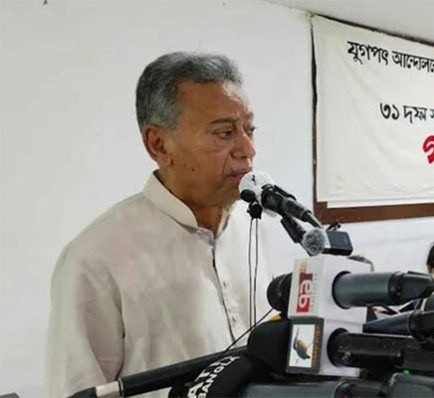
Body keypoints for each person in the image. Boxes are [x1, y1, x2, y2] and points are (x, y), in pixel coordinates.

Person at [45, 52, 272, 397]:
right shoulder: (94, 260)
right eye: (225, 133)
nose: (248, 149)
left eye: (248, 129)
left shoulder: (252, 227)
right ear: (159, 144)